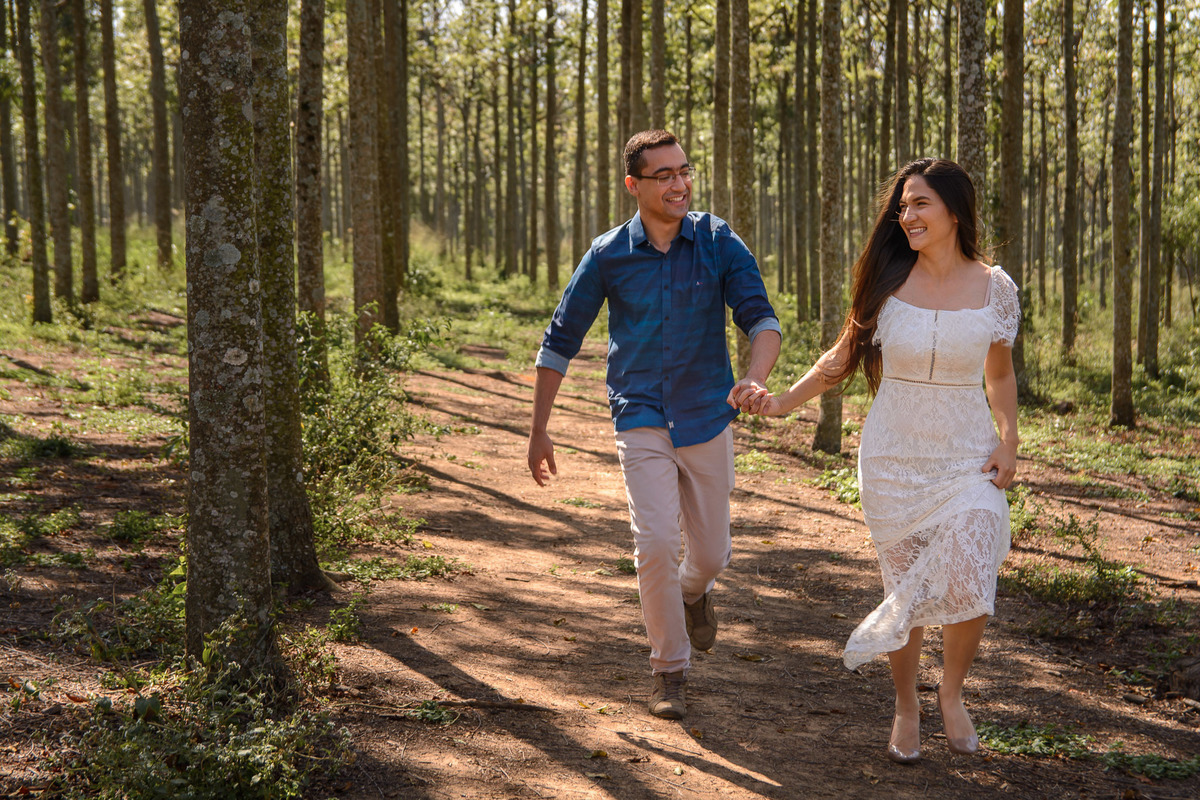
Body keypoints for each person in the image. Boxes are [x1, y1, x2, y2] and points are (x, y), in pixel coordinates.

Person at [730, 158, 1019, 763]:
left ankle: (954, 693)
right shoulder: (888, 280)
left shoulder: (996, 287)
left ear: (954, 211)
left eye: (920, 205)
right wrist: (782, 402)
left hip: (967, 453)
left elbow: (999, 370)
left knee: (973, 567)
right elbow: (839, 359)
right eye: (903, 206)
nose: (907, 216)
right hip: (892, 458)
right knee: (905, 589)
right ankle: (907, 703)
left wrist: (1009, 436)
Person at [527, 129, 782, 720]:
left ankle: (694, 594)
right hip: (639, 413)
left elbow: (760, 318)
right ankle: (670, 671)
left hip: (708, 414)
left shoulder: (717, 241)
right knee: (657, 543)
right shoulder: (609, 253)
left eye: (684, 171)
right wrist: (539, 428)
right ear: (633, 185)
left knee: (712, 555)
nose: (678, 183)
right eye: (664, 174)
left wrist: (757, 375)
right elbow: (560, 340)